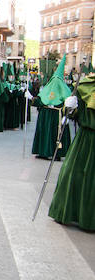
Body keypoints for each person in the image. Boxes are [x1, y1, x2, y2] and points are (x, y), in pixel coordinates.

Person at [47, 70, 93, 230]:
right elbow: (75, 115)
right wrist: (71, 108)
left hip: (86, 139)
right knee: (71, 174)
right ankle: (67, 212)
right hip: (84, 140)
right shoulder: (86, 85)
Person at [32, 55, 73, 160]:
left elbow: (40, 101)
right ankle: (50, 153)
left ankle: (52, 153)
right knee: (53, 134)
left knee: (52, 134)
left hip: (53, 115)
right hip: (53, 115)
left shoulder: (50, 87)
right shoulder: (64, 88)